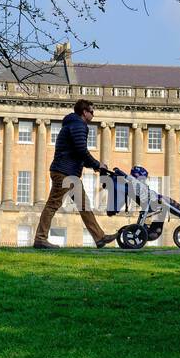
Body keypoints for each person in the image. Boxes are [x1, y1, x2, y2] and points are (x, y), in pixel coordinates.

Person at [33, 99, 116, 249]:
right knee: (53, 204)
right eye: (92, 112)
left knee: (84, 205)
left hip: (69, 173)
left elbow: (77, 153)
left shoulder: (72, 124)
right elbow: (81, 150)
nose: (93, 115)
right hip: (64, 172)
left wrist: (94, 166)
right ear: (84, 112)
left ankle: (99, 237)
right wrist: (97, 164)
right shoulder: (79, 125)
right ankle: (40, 238)